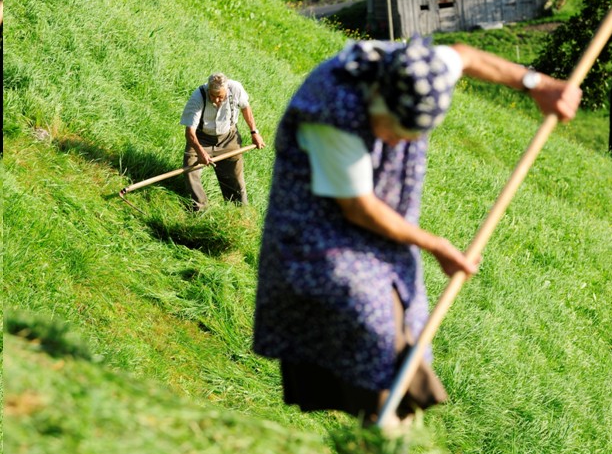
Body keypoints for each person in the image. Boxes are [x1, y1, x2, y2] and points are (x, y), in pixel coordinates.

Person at [252, 37, 581, 428]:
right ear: (376, 96)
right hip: (318, 228)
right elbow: (358, 207)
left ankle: (386, 434)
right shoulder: (332, 110)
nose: (394, 141)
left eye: (409, 135)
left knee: (404, 334)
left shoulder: (423, 72)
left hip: (382, 227)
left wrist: (539, 85)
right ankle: (381, 435)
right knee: (363, 318)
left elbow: (467, 56)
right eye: (390, 129)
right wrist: (435, 244)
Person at [180, 72, 266, 210]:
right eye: (212, 96)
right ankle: (200, 207)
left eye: (220, 96)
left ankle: (238, 210)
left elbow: (245, 107)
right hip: (201, 138)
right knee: (190, 169)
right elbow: (189, 132)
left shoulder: (236, 88)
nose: (215, 100)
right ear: (208, 90)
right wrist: (200, 152)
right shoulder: (198, 97)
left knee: (235, 177)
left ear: (226, 90)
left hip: (228, 138)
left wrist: (254, 132)